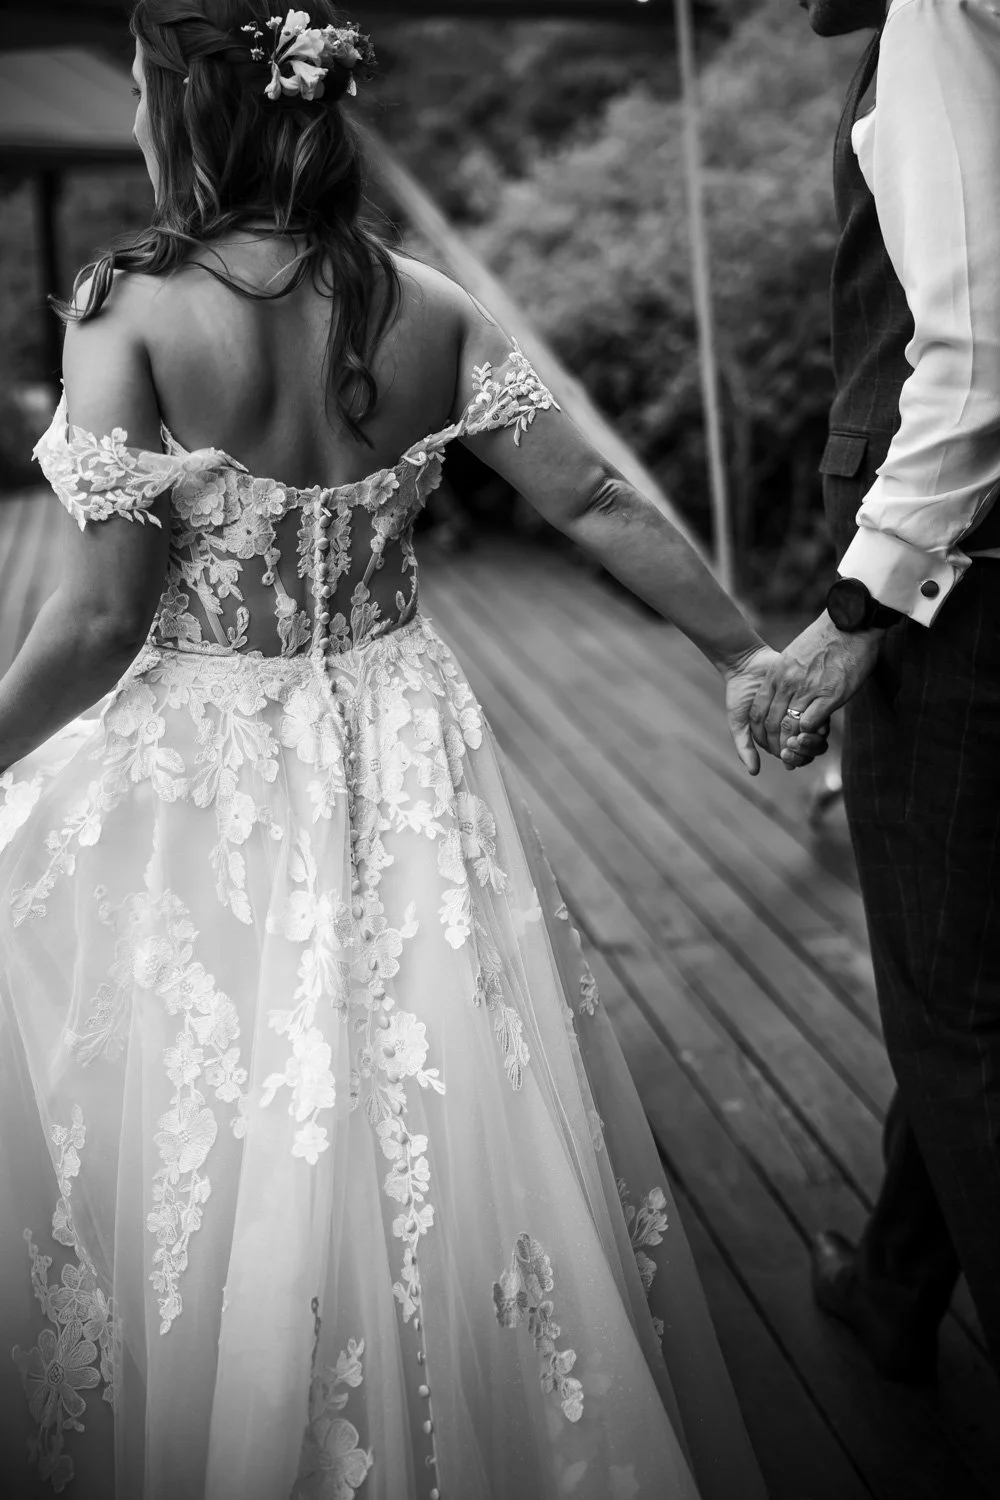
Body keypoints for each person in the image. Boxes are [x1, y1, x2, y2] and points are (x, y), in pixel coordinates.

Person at [0, 4, 826, 1496]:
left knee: (215, 1096)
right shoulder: (423, 302)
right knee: (421, 1086)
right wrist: (744, 654)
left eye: (137, 94)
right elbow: (594, 502)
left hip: (213, 765)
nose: (131, 119)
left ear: (189, 113)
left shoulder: (128, 309)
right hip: (402, 731)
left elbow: (100, 620)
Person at [751, 0, 1000, 1382]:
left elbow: (977, 354)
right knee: (962, 974)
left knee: (953, 1009)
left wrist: (860, 611)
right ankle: (899, 1285)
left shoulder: (939, 16)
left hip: (963, 604)